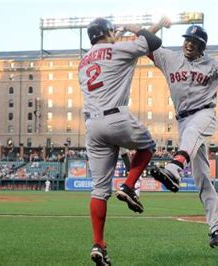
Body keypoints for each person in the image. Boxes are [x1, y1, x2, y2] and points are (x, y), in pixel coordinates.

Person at [148, 19, 218, 248]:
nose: (190, 44)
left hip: (205, 114)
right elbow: (145, 42)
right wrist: (156, 24)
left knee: (191, 133)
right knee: (201, 178)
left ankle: (174, 168)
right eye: (188, 39)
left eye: (195, 42)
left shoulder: (212, 64)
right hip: (183, 119)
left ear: (202, 47)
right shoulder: (170, 58)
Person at [78, 17, 162, 265]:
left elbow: (134, 46)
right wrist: (135, 27)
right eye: (112, 31)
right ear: (106, 32)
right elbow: (152, 41)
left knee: (99, 190)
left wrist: (147, 28)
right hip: (116, 116)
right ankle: (128, 186)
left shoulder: (82, 62)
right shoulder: (117, 48)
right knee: (148, 146)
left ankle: (98, 244)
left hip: (93, 126)